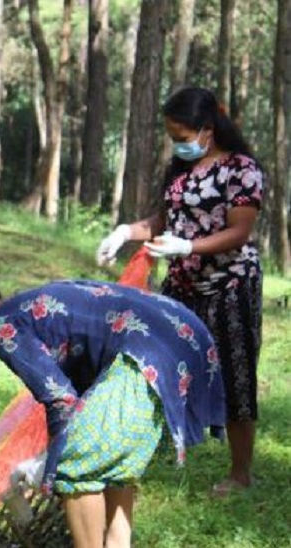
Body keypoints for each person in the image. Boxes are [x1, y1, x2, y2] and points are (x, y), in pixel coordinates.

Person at [0, 276, 225, 548]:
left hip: (148, 349)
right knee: (111, 465)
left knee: (77, 468)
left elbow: (60, 398)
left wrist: (52, 464)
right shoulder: (25, 304)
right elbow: (82, 390)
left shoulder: (2, 327)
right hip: (183, 331)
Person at [96, 86, 264, 496]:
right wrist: (126, 232)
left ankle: (241, 473)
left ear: (207, 129)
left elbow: (240, 231)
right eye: (172, 137)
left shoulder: (241, 169)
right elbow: (164, 218)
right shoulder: (180, 169)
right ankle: (152, 449)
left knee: (234, 373)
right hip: (182, 285)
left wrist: (189, 245)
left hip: (230, 285)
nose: (178, 145)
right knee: (159, 363)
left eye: (183, 137)